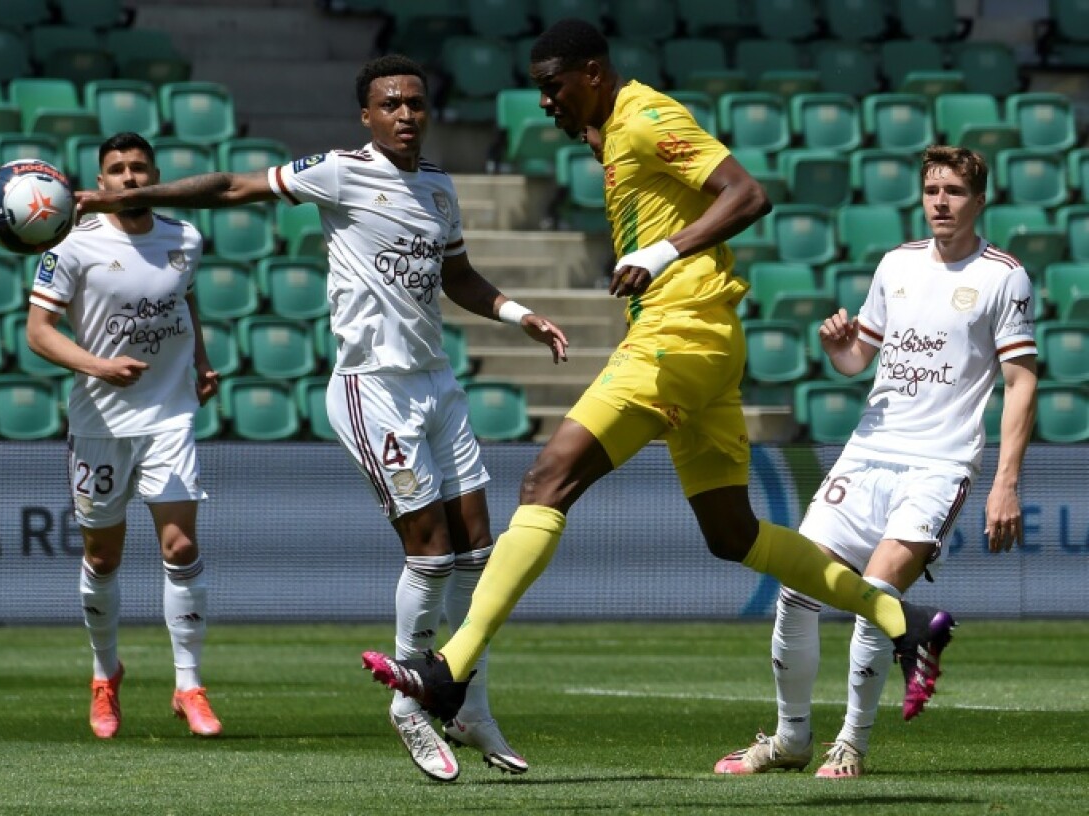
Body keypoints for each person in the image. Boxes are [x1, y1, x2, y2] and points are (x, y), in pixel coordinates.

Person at [360, 18, 958, 735]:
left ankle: (450, 670)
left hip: (678, 335)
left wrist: (663, 252)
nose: (546, 103)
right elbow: (618, 151)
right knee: (732, 533)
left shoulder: (645, 118)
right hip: (701, 344)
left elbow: (746, 193)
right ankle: (904, 617)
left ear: (594, 73)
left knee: (547, 481)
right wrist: (593, 139)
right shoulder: (613, 131)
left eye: (554, 88)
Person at [75, 56, 569, 782]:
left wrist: (518, 314)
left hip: (437, 384)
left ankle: (467, 703)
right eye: (390, 104)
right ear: (366, 117)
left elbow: (457, 276)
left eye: (416, 103)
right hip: (374, 389)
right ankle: (407, 701)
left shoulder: (438, 186)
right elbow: (233, 186)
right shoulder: (339, 171)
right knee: (430, 552)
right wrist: (130, 195)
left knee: (477, 555)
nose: (406, 114)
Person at [714, 146, 1037, 778]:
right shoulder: (895, 265)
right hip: (867, 454)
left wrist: (1006, 483)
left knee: (876, 594)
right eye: (931, 190)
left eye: (953, 191)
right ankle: (790, 739)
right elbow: (859, 361)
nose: (940, 202)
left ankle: (851, 746)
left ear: (980, 200)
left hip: (939, 464)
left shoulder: (1004, 276)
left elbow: (1020, 381)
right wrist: (839, 347)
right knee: (796, 591)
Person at [27, 132, 223, 739]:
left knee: (180, 549)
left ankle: (189, 684)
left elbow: (185, 300)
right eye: (117, 169)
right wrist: (98, 365)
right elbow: (39, 330)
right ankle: (104, 675)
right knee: (102, 556)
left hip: (169, 414)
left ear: (156, 174)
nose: (130, 177)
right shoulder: (72, 246)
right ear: (101, 181)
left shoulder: (184, 238)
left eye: (140, 167)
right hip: (100, 422)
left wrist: (200, 361)